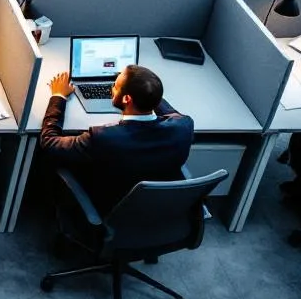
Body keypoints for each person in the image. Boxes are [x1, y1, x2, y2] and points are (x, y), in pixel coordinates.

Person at [40, 65, 194, 214]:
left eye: (115, 86)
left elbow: (49, 142)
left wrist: (58, 96)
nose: (112, 87)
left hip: (115, 209)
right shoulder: (183, 126)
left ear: (127, 99)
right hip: (160, 207)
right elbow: (166, 110)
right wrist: (142, 85)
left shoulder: (104, 138)